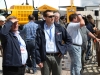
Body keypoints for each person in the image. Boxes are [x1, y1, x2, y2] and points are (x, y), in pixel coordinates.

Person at [35, 10, 73, 75]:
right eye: (50, 16)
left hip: (57, 57)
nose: (52, 18)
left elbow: (69, 40)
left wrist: (63, 50)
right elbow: (37, 46)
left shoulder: (59, 28)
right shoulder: (40, 28)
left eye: (53, 16)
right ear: (45, 17)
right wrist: (38, 60)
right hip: (45, 57)